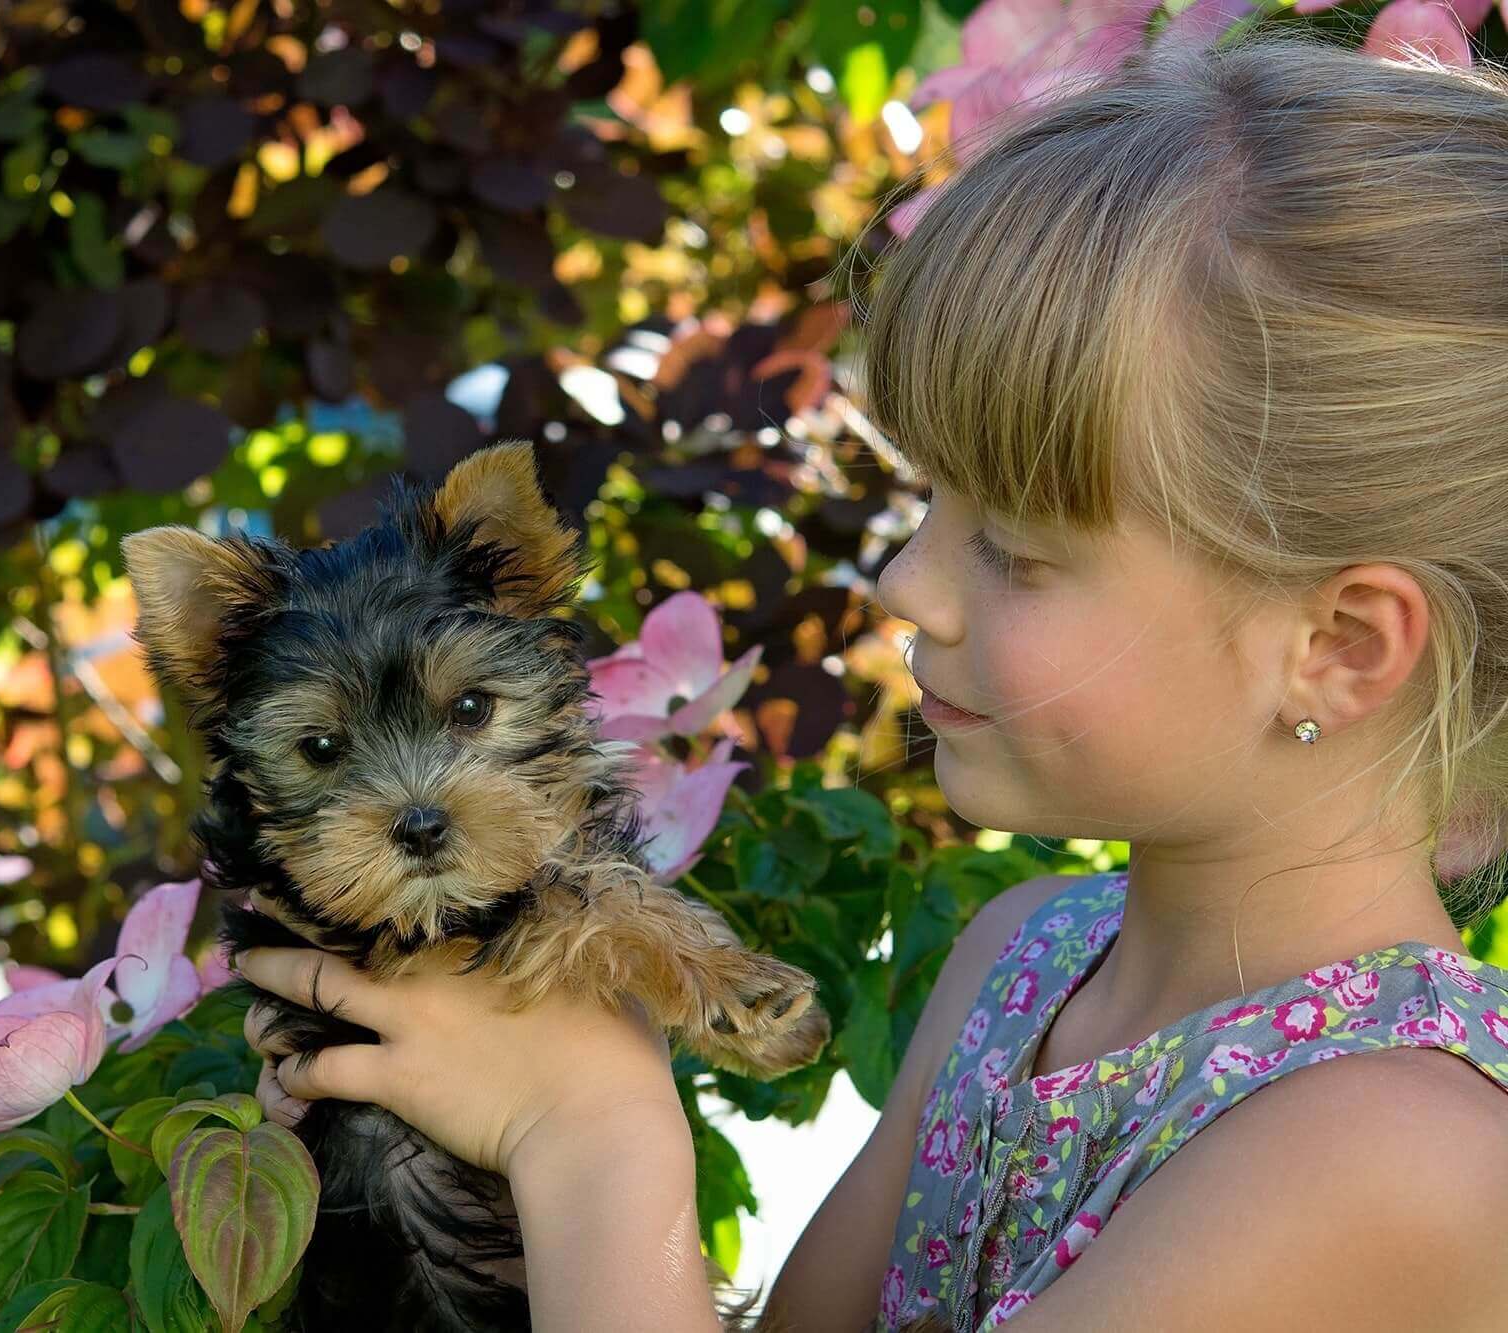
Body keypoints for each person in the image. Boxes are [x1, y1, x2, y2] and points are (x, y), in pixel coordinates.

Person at [228, 28, 1508, 1331]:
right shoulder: (1034, 954)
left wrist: (591, 1133)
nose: (908, 582)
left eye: (1012, 547)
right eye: (929, 503)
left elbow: (602, 1159)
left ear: (1338, 648)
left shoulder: (1392, 1158)